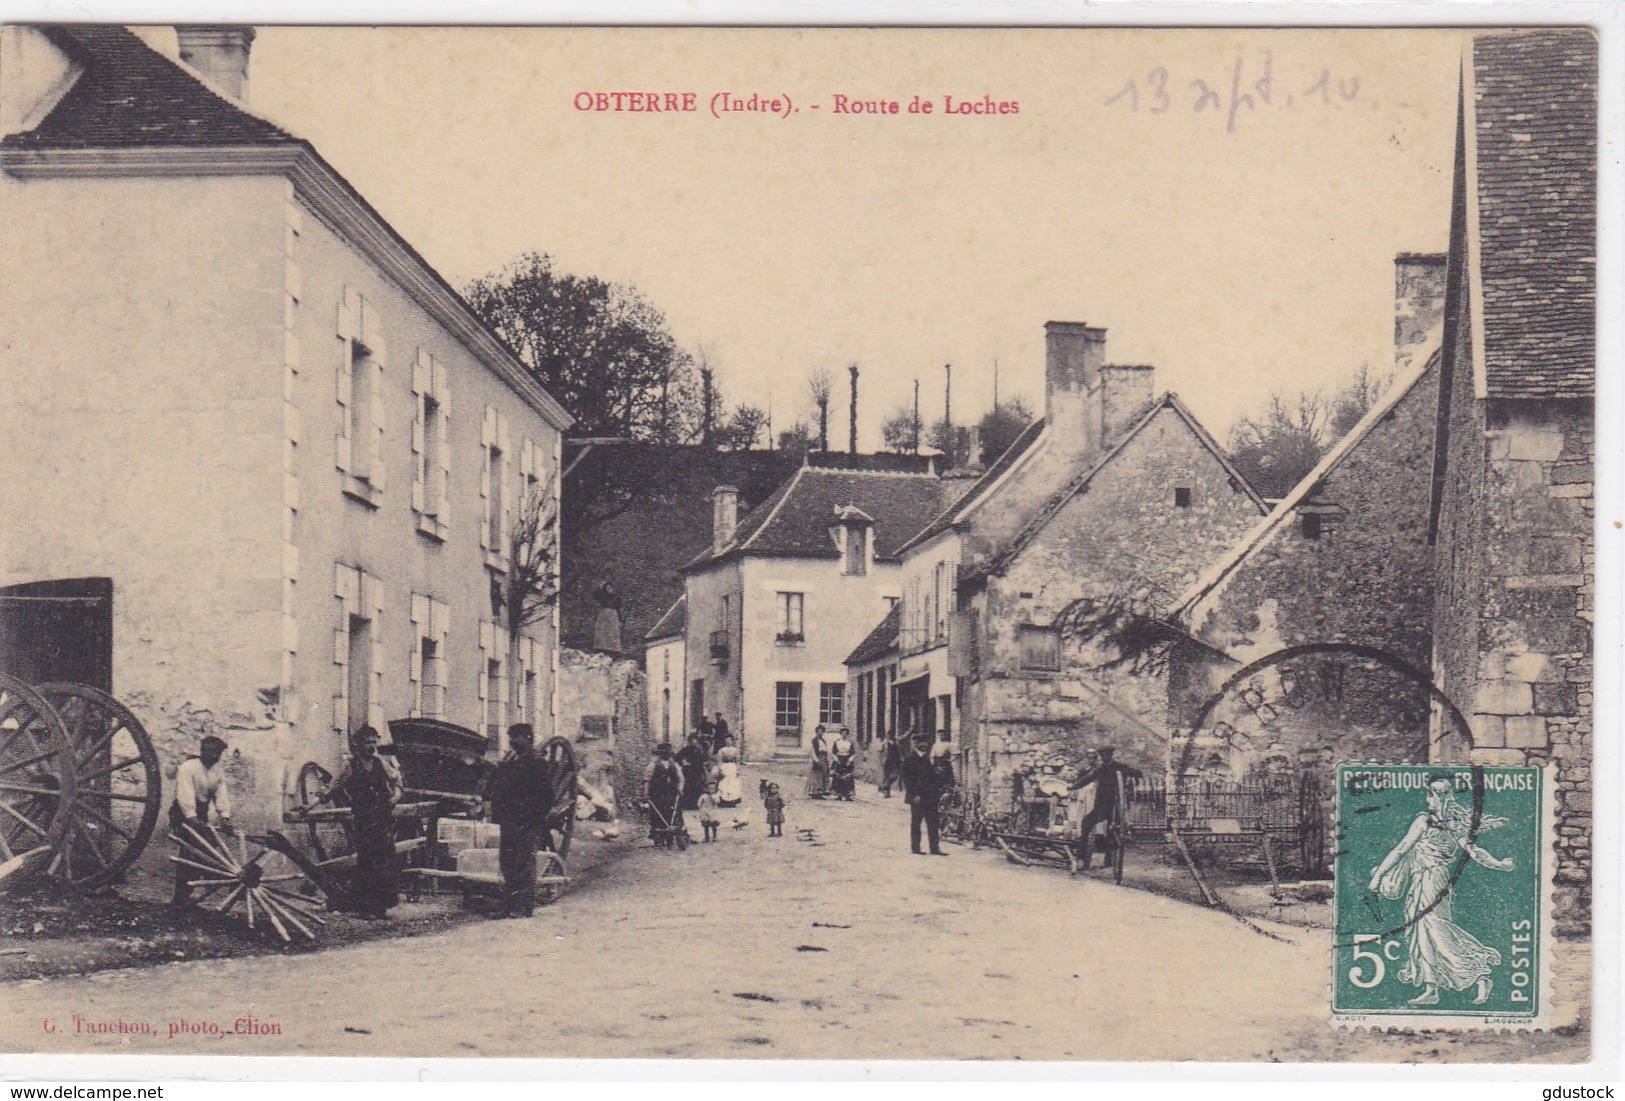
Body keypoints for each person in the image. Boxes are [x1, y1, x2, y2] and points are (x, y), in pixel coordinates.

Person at [1368, 776, 1514, 1006]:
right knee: (1422, 931)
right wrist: (1499, 864)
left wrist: (1376, 879)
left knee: (1433, 929)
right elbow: (1474, 851)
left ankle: (1476, 972)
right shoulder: (1452, 824)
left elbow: (1400, 850)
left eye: (1433, 794)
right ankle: (1433, 988)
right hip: (1430, 880)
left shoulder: (1425, 821)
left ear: (1430, 796)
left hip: (1430, 880)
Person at [317, 726, 404, 919]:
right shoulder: (350, 765)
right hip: (364, 820)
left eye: (374, 742)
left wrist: (395, 797)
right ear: (358, 743)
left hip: (382, 818)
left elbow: (397, 782)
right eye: (367, 742)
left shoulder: (380, 763)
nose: (371, 746)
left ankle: (381, 907)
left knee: (385, 861)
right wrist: (316, 801)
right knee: (367, 863)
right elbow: (333, 787)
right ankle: (365, 908)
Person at [487, 723, 548, 918]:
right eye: (510, 737)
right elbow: (499, 787)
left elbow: (546, 796)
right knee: (508, 863)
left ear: (527, 738)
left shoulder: (538, 762)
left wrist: (534, 819)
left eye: (515, 737)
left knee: (525, 863)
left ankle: (523, 906)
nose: (512, 741)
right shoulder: (511, 762)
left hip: (528, 822)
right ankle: (508, 905)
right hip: (510, 820)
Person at [169, 735, 233, 909]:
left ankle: (193, 892)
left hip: (201, 815)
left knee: (207, 849)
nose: (214, 757)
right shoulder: (188, 768)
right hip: (182, 813)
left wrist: (225, 817)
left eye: (218, 754)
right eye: (211, 752)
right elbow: (184, 794)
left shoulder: (217, 772)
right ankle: (180, 899)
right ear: (202, 751)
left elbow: (221, 795)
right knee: (189, 852)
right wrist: (191, 818)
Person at [1071, 747, 1143, 869]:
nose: (1104, 758)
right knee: (1086, 823)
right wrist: (1073, 787)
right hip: (1101, 805)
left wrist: (1131, 782)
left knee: (1111, 831)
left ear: (1110, 755)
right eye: (1102, 755)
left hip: (1115, 805)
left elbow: (1138, 774)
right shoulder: (1100, 769)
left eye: (1106, 755)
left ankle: (1109, 860)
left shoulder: (1121, 767)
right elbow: (1087, 779)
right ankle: (1081, 857)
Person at [900, 733, 947, 855]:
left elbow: (931, 777)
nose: (924, 745)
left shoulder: (927, 758)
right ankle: (916, 849)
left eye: (925, 743)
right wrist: (914, 794)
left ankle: (934, 849)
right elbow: (908, 780)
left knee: (933, 822)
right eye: (921, 743)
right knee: (916, 822)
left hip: (930, 796)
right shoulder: (910, 759)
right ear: (915, 744)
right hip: (918, 797)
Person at [643, 742, 686, 848]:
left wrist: (680, 789)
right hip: (657, 793)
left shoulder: (674, 765)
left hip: (671, 793)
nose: (666, 754)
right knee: (658, 814)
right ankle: (658, 836)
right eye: (664, 752)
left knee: (674, 813)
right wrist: (646, 793)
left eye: (668, 752)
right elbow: (646, 780)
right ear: (660, 753)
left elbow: (681, 779)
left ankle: (674, 834)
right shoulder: (652, 765)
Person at [675, 732, 708, 811]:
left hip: (698, 770)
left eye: (695, 740)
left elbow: (705, 759)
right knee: (688, 787)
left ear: (697, 740)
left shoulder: (701, 749)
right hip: (688, 771)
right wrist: (683, 762)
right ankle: (688, 804)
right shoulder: (686, 749)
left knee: (698, 786)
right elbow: (677, 758)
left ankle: (696, 804)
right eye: (691, 740)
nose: (693, 742)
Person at [830, 727, 857, 801]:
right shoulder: (837, 742)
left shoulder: (849, 743)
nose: (844, 735)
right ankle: (838, 794)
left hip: (847, 760)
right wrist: (836, 760)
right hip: (839, 760)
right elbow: (833, 752)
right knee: (838, 777)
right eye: (843, 733)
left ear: (847, 734)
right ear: (840, 734)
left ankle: (848, 794)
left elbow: (852, 753)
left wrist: (849, 761)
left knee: (848, 777)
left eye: (846, 734)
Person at [805, 725, 831, 798]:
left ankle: (822, 791)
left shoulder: (823, 741)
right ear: (816, 732)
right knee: (817, 775)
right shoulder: (814, 741)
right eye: (819, 731)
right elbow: (812, 752)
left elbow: (826, 750)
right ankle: (815, 792)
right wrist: (816, 760)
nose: (821, 733)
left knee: (824, 774)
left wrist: (827, 759)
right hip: (817, 758)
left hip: (824, 758)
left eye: (822, 731)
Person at [878, 734, 902, 799]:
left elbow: (898, 752)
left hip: (895, 761)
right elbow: (879, 751)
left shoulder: (896, 742)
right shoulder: (885, 743)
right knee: (886, 776)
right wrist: (881, 760)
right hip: (887, 762)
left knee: (894, 776)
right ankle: (887, 792)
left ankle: (883, 787)